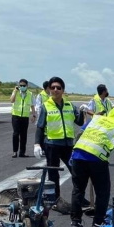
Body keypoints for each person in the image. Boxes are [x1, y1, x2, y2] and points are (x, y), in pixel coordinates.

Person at [34, 76, 82, 213]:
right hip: (52, 144)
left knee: (76, 171)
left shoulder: (70, 105)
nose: (55, 90)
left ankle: (79, 198)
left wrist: (82, 111)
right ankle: (56, 201)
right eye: (53, 87)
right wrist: (37, 143)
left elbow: (79, 122)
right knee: (53, 174)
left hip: (68, 145)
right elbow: (40, 127)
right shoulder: (45, 106)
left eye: (58, 88)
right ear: (49, 90)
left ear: (63, 90)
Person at [9, 78, 35, 158]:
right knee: (16, 134)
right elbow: (12, 101)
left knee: (24, 135)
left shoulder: (30, 94)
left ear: (27, 86)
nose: (22, 87)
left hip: (25, 117)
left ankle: (22, 152)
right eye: (21, 85)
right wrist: (14, 91)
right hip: (16, 116)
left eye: (24, 85)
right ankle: (15, 151)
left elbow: (32, 106)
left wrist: (33, 115)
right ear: (18, 86)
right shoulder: (16, 93)